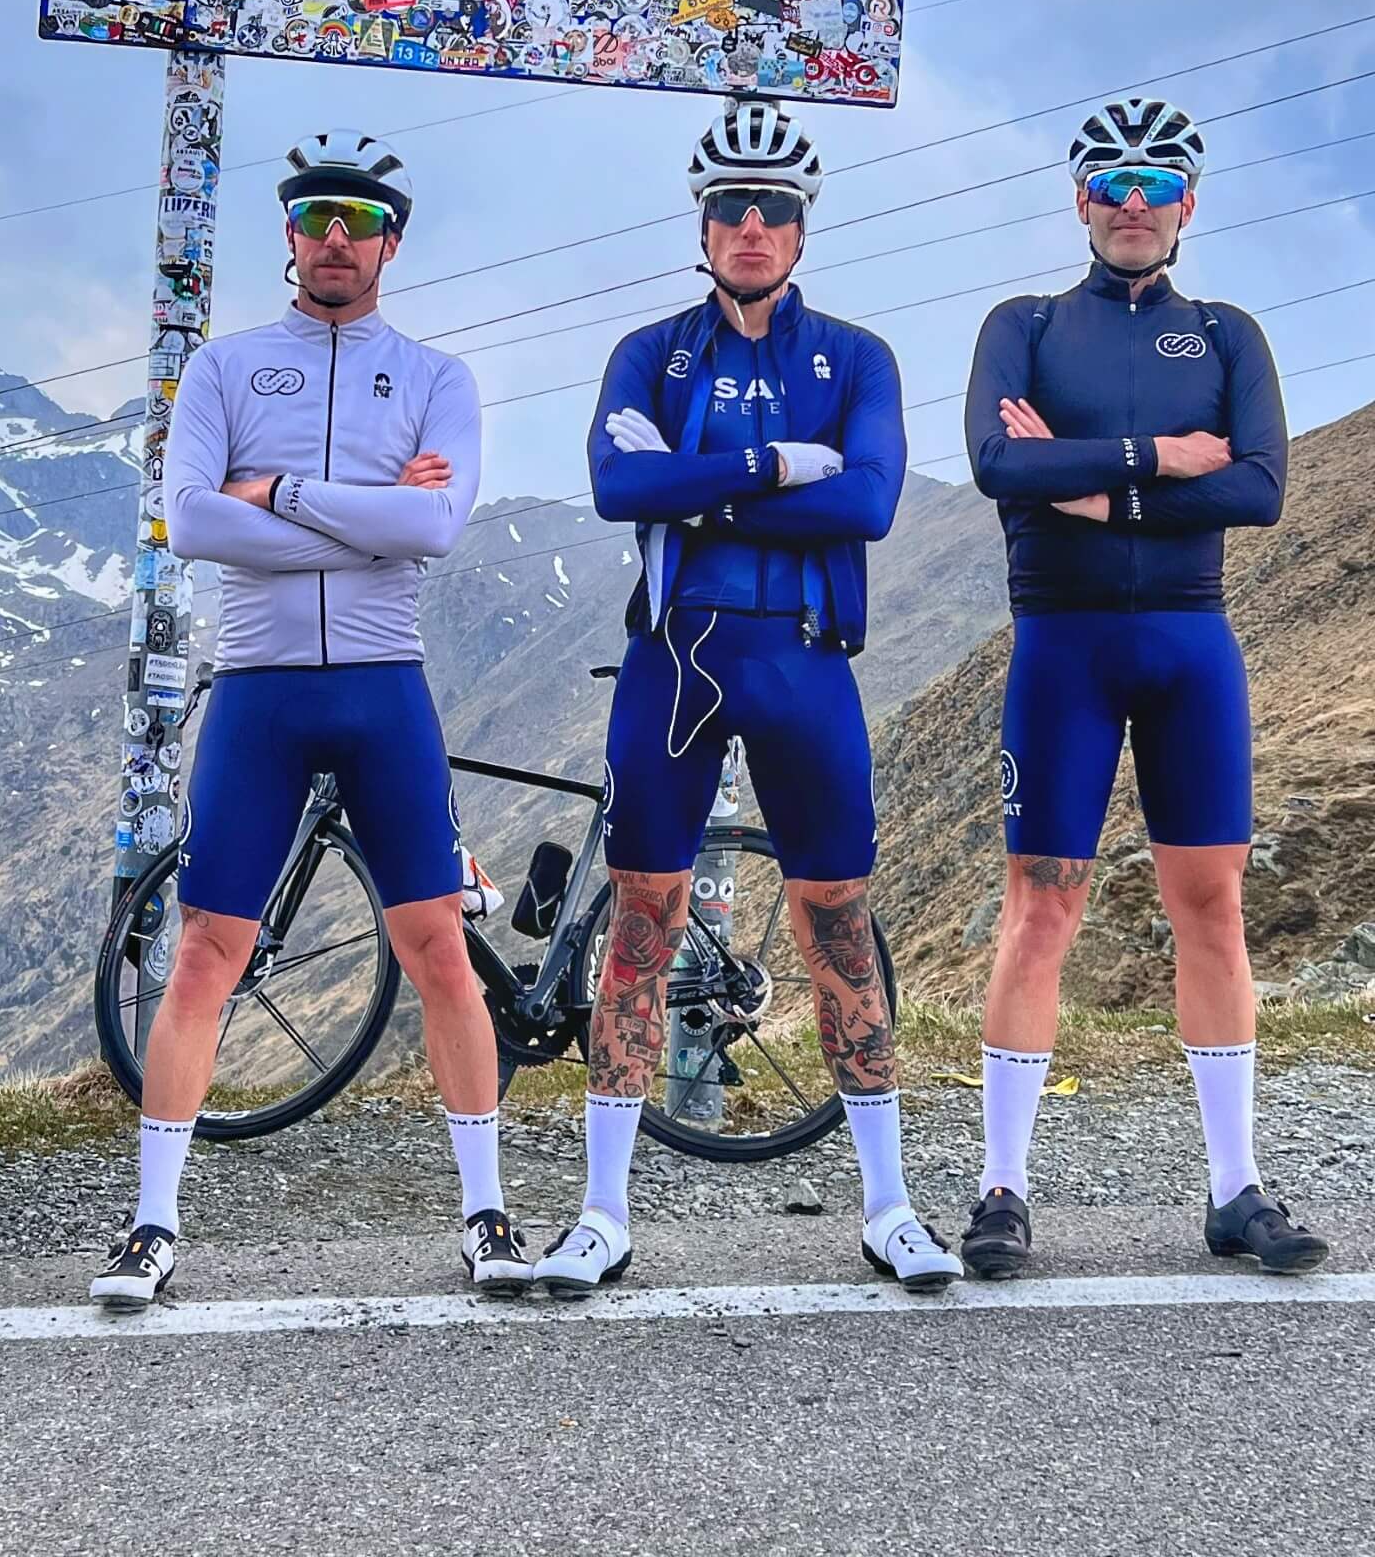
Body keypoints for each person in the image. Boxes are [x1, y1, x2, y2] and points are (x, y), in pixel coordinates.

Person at [90, 129, 531, 1306]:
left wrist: (278, 493)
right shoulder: (226, 371)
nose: (338, 239)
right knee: (205, 954)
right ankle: (150, 1227)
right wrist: (368, 515)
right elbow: (192, 523)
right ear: (288, 235)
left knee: (437, 947)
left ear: (391, 243)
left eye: (362, 221)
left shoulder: (436, 378)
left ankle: (488, 1216)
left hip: (384, 687)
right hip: (261, 690)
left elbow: (434, 529)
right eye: (317, 219)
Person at [533, 99, 962, 1298]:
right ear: (704, 226)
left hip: (803, 661)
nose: (753, 226)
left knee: (836, 919)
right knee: (641, 921)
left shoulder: (857, 358)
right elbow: (618, 487)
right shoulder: (650, 353)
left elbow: (868, 501)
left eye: (774, 209)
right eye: (732, 209)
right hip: (674, 657)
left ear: (802, 228)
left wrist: (696, 486)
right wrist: (775, 468)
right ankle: (602, 1216)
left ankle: (889, 1207)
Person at [959, 94, 1325, 1277]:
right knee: (1040, 907)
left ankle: (1235, 1189)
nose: (1132, 202)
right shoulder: (1024, 325)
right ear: (1079, 201)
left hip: (1188, 645)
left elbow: (1260, 488)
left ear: (1187, 207)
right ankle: (1002, 1189)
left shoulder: (1225, 335)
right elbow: (997, 463)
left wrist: (1088, 491)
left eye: (1155, 185)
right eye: (1110, 184)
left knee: (1211, 907)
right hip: (1061, 646)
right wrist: (1158, 460)